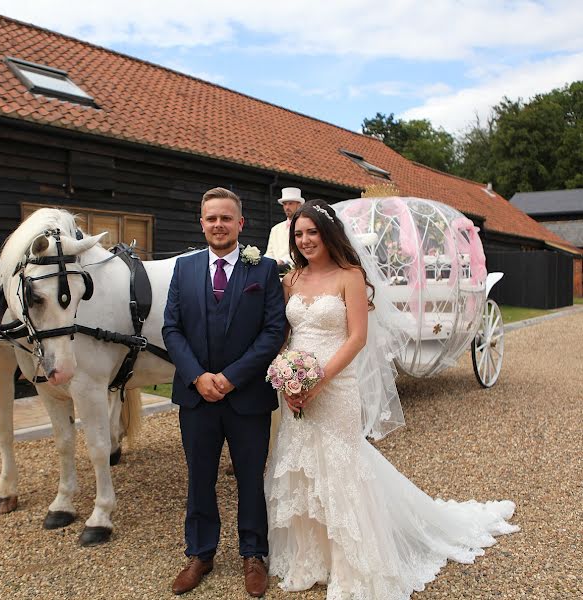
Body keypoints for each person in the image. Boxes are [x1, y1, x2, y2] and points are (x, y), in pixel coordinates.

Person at [264, 199, 518, 598]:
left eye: (312, 232)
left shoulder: (350, 276)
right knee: (302, 465)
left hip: (336, 384)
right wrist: (287, 378)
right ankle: (313, 556)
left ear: (328, 234)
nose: (305, 240)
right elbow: (284, 334)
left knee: (342, 464)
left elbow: (357, 337)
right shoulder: (291, 280)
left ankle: (353, 562)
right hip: (297, 385)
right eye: (299, 234)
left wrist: (319, 380)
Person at [163, 187, 286, 597]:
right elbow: (171, 329)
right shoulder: (184, 269)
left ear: (240, 224)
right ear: (202, 223)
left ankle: (253, 554)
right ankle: (200, 553)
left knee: (251, 478)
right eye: (211, 218)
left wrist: (231, 377)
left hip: (247, 396)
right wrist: (198, 376)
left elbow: (272, 333)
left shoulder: (264, 270)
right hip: (196, 398)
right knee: (200, 478)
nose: (218, 224)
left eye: (226, 218)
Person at [265, 187, 305, 271]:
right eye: (285, 204)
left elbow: (301, 249)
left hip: (297, 272)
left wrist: (283, 261)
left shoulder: (304, 227)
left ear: (299, 205)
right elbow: (270, 253)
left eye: (290, 203)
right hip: (276, 273)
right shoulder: (275, 229)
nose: (287, 207)